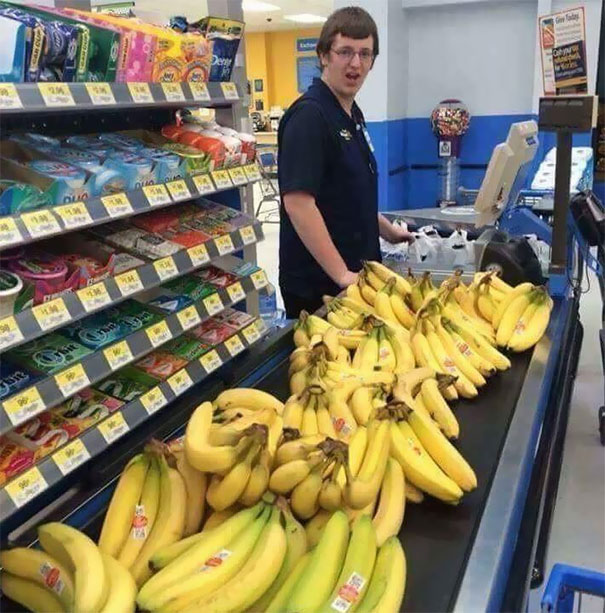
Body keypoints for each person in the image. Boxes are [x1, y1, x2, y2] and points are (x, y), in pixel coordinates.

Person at [277, 6, 414, 319]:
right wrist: (341, 275)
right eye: (345, 52)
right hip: (322, 287)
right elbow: (298, 204)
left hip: (356, 277)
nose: (356, 63)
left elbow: (350, 190)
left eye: (365, 54)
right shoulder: (310, 117)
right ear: (324, 55)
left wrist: (387, 231)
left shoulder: (351, 113)